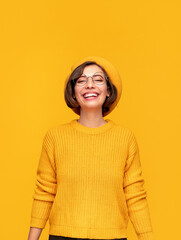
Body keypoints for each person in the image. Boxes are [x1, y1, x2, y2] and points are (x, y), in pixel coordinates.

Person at [28, 56, 154, 240]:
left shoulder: (125, 139)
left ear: (109, 91)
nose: (89, 85)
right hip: (63, 236)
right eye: (81, 80)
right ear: (73, 92)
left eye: (98, 79)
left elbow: (135, 195)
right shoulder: (55, 137)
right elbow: (45, 191)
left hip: (112, 237)